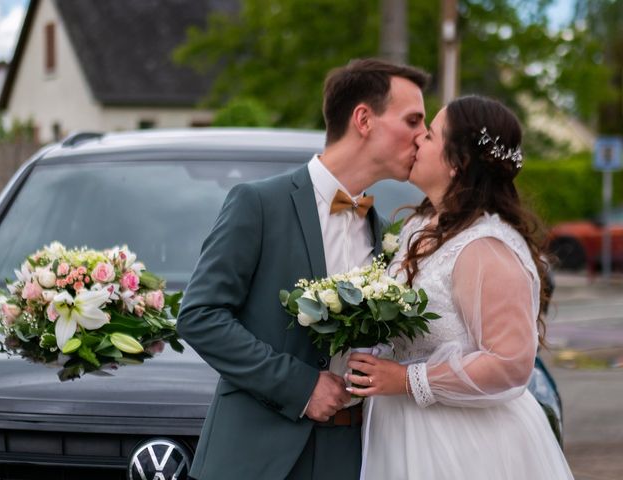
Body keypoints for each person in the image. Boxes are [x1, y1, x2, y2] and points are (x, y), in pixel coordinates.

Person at [176, 58, 429, 480]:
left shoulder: (386, 234)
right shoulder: (258, 204)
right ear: (364, 119)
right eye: (413, 120)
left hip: (355, 455)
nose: (423, 136)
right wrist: (302, 386)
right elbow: (200, 316)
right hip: (256, 458)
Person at [346, 95, 574, 479]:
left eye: (431, 135)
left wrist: (406, 380)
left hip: (462, 445)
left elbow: (510, 364)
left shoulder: (485, 247)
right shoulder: (423, 226)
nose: (418, 139)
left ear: (458, 162)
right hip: (401, 432)